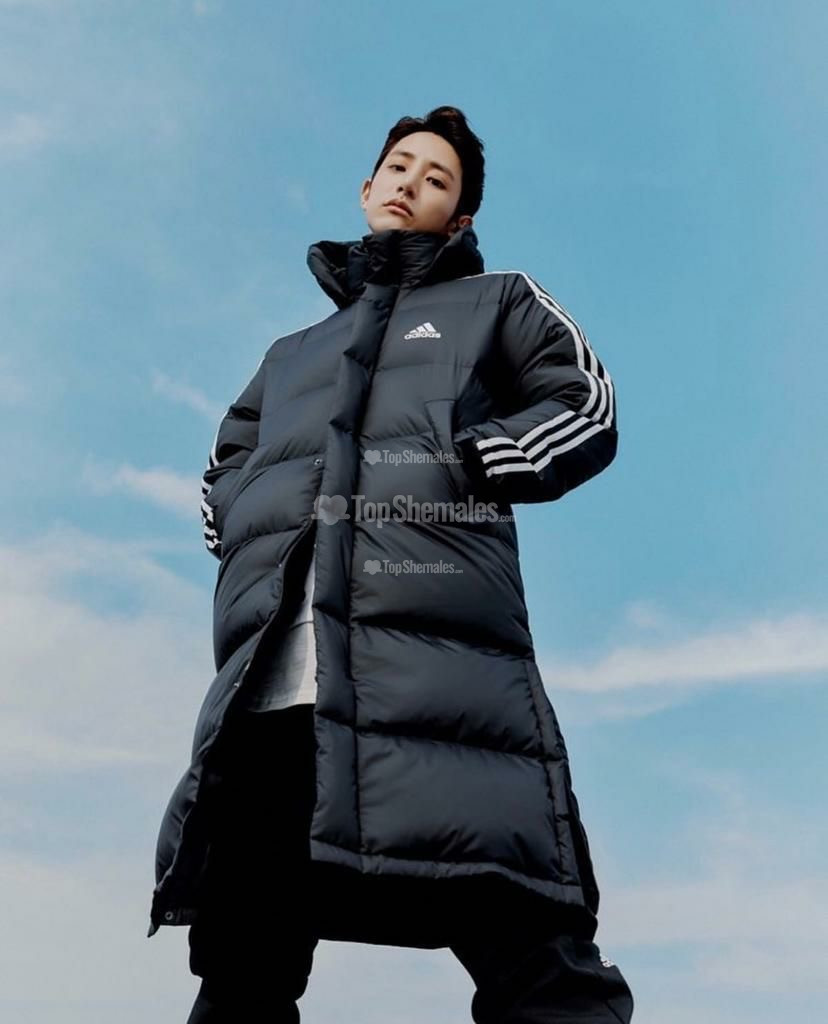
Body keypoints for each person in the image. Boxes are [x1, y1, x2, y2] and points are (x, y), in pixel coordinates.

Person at [149, 105, 634, 1023]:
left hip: (440, 688)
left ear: (460, 218)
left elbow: (584, 404)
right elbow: (224, 469)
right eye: (400, 166)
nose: (412, 182)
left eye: (437, 178)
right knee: (241, 975)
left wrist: (475, 459)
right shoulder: (290, 357)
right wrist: (251, 521)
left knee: (536, 957)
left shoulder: (498, 302)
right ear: (368, 187)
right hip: (274, 698)